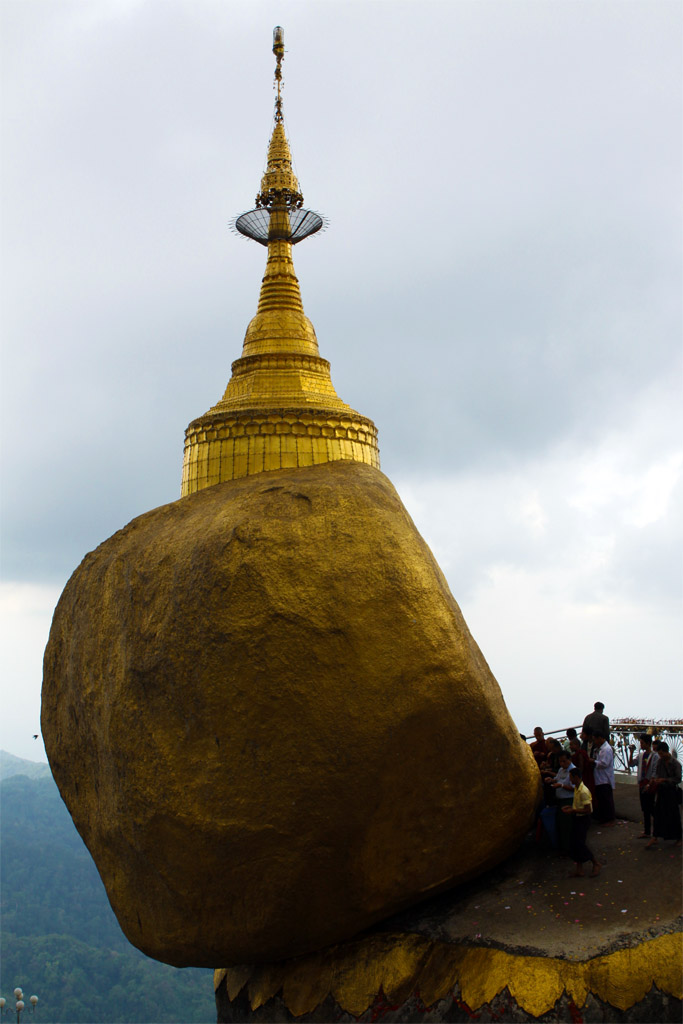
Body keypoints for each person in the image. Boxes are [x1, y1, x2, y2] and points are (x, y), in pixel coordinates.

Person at [562, 767, 600, 877]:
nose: (570, 780)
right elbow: (579, 804)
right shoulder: (577, 788)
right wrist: (571, 807)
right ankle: (579, 869)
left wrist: (573, 810)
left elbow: (588, 809)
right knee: (575, 843)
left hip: (583, 819)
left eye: (571, 777)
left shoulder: (583, 791)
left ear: (576, 777)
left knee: (580, 843)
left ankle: (596, 863)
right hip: (577, 817)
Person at [646, 743, 682, 847]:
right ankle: (655, 836)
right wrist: (654, 781)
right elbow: (657, 774)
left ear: (666, 752)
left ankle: (679, 837)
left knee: (673, 815)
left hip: (671, 791)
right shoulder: (660, 762)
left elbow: (678, 778)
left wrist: (665, 780)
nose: (661, 756)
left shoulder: (675, 764)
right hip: (661, 791)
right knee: (658, 814)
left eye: (662, 753)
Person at [628, 734, 659, 839]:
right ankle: (647, 831)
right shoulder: (641, 755)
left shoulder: (654, 756)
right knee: (645, 808)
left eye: (642, 743)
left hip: (649, 784)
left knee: (650, 807)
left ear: (648, 743)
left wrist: (650, 783)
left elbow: (655, 771)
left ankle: (656, 829)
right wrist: (631, 753)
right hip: (642, 784)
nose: (640, 745)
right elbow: (631, 764)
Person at [550, 751, 576, 853]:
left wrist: (561, 786)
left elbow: (574, 788)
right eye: (560, 761)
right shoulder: (561, 770)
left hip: (568, 800)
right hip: (560, 800)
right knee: (561, 825)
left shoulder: (573, 771)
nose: (562, 764)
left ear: (569, 760)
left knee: (567, 826)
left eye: (564, 761)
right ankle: (564, 847)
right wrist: (552, 780)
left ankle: (569, 848)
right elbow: (557, 778)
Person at [591, 730, 615, 825]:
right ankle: (604, 818)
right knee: (602, 799)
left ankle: (610, 819)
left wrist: (593, 762)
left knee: (606, 800)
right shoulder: (599, 748)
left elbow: (604, 763)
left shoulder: (606, 749)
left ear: (600, 738)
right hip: (599, 777)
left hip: (605, 778)